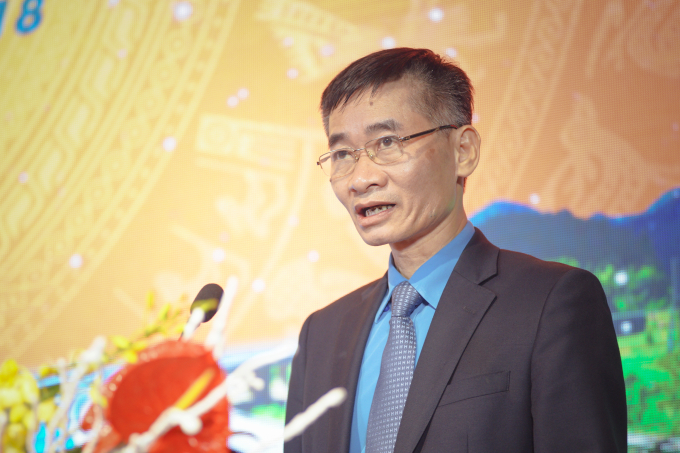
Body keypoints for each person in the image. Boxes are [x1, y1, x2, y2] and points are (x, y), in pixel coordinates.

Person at [284, 48, 627, 453]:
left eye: (387, 142)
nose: (360, 179)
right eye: (343, 154)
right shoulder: (321, 335)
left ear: (463, 151)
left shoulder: (550, 304)